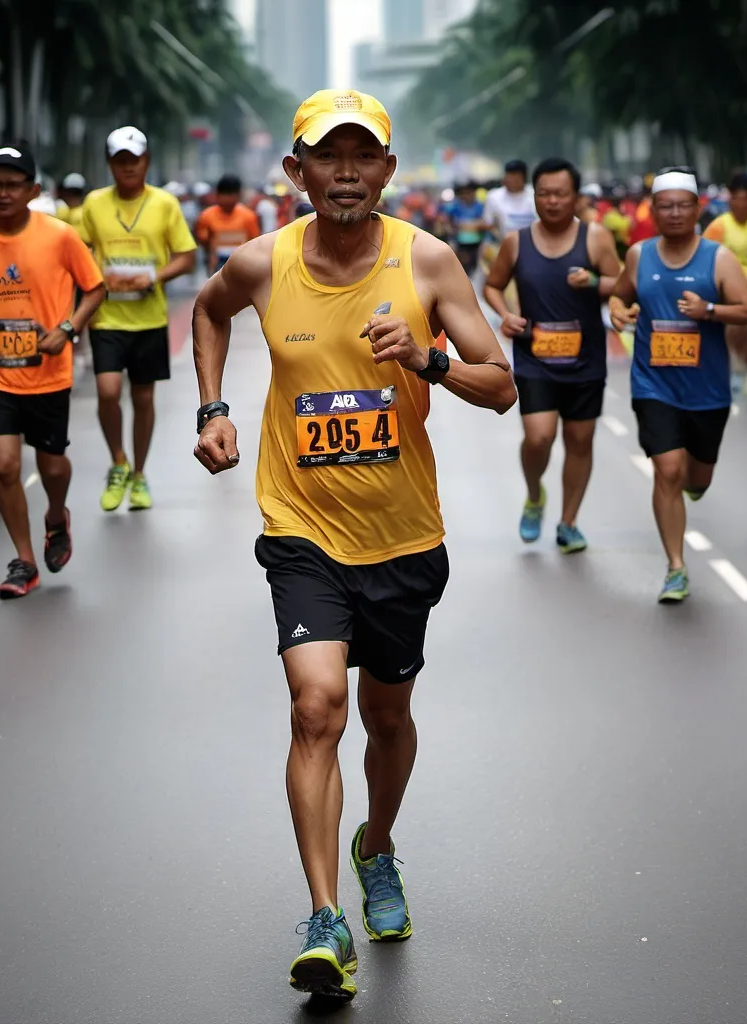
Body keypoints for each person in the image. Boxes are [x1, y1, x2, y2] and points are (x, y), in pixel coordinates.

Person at [191, 88, 515, 1001]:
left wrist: (424, 359)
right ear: (295, 173)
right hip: (301, 528)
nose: (344, 172)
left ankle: (378, 845)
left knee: (387, 718)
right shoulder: (260, 263)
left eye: (361, 156)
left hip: (404, 537)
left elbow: (502, 387)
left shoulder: (431, 262)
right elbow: (207, 313)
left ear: (387, 170)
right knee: (316, 707)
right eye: (324, 157)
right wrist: (214, 409)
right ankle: (326, 917)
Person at [0, 142, 105, 597]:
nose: (3, 194)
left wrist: (68, 328)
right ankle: (23, 560)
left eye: (13, 186)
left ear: (32, 189)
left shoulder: (59, 235)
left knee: (53, 466)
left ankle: (56, 516)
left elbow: (95, 289)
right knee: (3, 466)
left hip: (47, 370)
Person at [608, 167, 747, 601]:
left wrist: (710, 309)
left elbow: (746, 310)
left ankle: (697, 483)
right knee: (667, 470)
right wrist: (618, 311)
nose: (674, 214)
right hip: (654, 384)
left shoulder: (719, 259)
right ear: (653, 210)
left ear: (697, 209)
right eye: (665, 206)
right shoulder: (638, 255)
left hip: (707, 390)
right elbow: (619, 294)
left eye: (682, 206)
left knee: (697, 478)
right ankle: (675, 565)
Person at [484, 157, 621, 552]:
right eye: (543, 193)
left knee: (580, 440)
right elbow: (493, 285)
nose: (551, 201)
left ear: (576, 198)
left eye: (560, 194)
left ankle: (569, 522)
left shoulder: (595, 239)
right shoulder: (517, 241)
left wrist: (594, 281)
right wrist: (506, 315)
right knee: (539, 437)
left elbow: (621, 284)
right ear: (534, 196)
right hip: (536, 357)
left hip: (585, 359)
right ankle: (534, 494)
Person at [81, 127, 197, 512]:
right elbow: (78, 252)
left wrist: (151, 277)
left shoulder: (164, 204)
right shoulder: (94, 204)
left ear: (146, 161)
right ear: (110, 164)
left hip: (148, 318)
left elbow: (185, 257)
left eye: (134, 160)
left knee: (143, 397)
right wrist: (98, 278)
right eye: (120, 161)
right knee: (108, 392)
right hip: (107, 318)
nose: (127, 167)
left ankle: (140, 474)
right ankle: (118, 461)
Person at [703, 173, 747, 405]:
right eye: (736, 198)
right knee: (736, 332)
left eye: (746, 199)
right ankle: (739, 365)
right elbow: (705, 258)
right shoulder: (719, 226)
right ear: (730, 199)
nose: (741, 204)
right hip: (729, 289)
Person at [194, 174, 261, 275]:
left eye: (231, 194)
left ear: (238, 195)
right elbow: (203, 240)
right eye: (225, 194)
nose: (228, 199)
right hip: (216, 264)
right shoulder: (207, 215)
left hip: (242, 264)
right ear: (218, 195)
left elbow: (254, 241)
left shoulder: (248, 216)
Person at [440, 181, 485, 277]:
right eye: (464, 193)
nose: (467, 195)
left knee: (474, 267)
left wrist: (471, 225)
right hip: (460, 242)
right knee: (463, 267)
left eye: (469, 192)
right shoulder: (455, 207)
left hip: (476, 242)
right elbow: (446, 221)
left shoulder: (479, 206)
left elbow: (484, 223)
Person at [55, 172, 89, 243]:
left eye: (76, 193)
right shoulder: (59, 211)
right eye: (69, 192)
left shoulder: (85, 213)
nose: (72, 197)